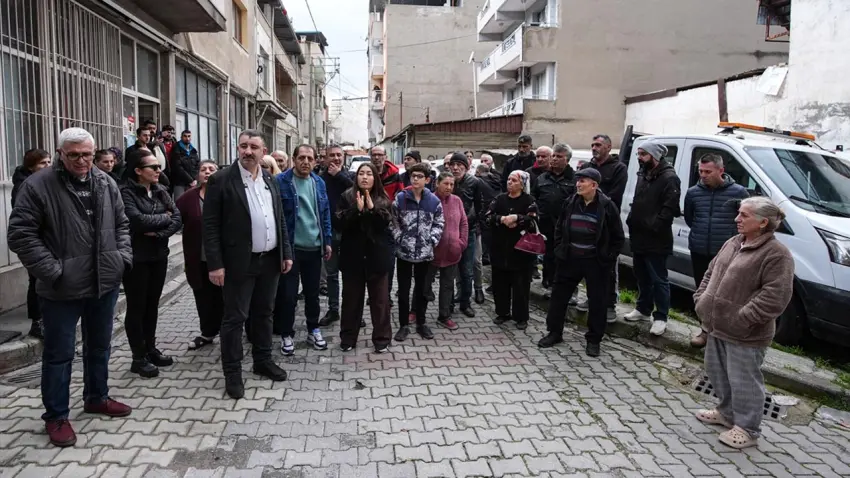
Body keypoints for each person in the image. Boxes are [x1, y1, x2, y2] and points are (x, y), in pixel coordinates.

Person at [8, 127, 133, 447]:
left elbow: (121, 224)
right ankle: (57, 416)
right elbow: (21, 234)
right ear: (60, 153)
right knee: (59, 354)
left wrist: (121, 258)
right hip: (61, 288)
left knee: (100, 346)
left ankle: (96, 396)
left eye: (87, 155)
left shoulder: (106, 183)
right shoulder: (38, 185)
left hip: (103, 282)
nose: (82, 161)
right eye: (74, 154)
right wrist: (53, 271)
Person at [693, 197, 793, 449]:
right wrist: (701, 300)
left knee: (744, 382)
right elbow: (710, 271)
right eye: (739, 214)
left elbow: (775, 296)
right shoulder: (733, 242)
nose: (737, 219)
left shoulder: (777, 254)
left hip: (745, 333)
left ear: (762, 223)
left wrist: (743, 319)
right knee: (718, 373)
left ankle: (748, 429)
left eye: (744, 215)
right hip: (716, 326)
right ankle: (727, 414)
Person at [204, 129, 293, 399]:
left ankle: (262, 360)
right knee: (235, 318)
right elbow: (210, 226)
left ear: (263, 152)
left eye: (254, 146)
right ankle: (233, 373)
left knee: (264, 313)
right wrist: (215, 264)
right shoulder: (221, 180)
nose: (248, 151)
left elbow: (279, 220)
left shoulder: (269, 179)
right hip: (238, 262)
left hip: (270, 259)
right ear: (237, 148)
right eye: (243, 146)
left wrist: (286, 252)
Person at [537, 168, 625, 357]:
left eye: (583, 181)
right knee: (559, 297)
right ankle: (554, 332)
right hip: (570, 258)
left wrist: (607, 258)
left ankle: (593, 340)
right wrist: (561, 247)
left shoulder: (607, 206)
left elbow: (618, 237)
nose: (578, 184)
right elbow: (560, 226)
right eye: (578, 180)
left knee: (597, 301)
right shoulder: (570, 202)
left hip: (595, 261)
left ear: (594, 185)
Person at [121, 149, 182, 377]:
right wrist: (163, 218)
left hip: (158, 254)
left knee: (152, 305)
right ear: (138, 171)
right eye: (153, 167)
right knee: (137, 307)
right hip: (137, 258)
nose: (159, 171)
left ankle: (150, 348)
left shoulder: (160, 190)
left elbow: (177, 218)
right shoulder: (126, 192)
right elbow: (136, 220)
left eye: (159, 167)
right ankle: (138, 357)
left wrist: (158, 232)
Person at [684, 153, 749, 348]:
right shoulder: (693, 193)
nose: (703, 175)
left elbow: (744, 221)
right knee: (703, 293)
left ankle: (723, 335)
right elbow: (690, 218)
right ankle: (704, 331)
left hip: (726, 253)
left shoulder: (739, 192)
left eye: (708, 172)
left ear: (721, 171)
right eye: (701, 171)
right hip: (699, 249)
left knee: (725, 295)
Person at [276, 144, 333, 355]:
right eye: (301, 157)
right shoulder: (281, 182)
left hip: (314, 248)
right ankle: (286, 334)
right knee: (288, 296)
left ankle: (313, 329)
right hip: (291, 249)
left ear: (315, 161)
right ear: (294, 159)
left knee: (312, 294)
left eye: (310, 158)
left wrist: (327, 240)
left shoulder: (318, 183)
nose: (306, 162)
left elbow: (324, 213)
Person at [623, 140, 681, 336]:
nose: (639, 158)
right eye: (638, 154)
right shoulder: (643, 173)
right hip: (639, 235)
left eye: (642, 154)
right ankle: (643, 309)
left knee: (659, 279)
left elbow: (669, 208)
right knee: (641, 275)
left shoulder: (669, 178)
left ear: (654, 156)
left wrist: (654, 226)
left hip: (656, 238)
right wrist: (632, 220)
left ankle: (661, 317)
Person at [336, 162, 394, 352]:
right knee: (351, 301)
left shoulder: (383, 199)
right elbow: (340, 223)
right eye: (361, 173)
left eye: (369, 174)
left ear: (375, 178)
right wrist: (357, 211)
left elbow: (384, 225)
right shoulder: (346, 196)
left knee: (380, 302)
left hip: (377, 258)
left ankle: (382, 339)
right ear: (356, 177)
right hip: (353, 258)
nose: (365, 177)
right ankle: (348, 338)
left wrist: (371, 210)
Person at [392, 163, 444, 341]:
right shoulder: (401, 199)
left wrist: (432, 240)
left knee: (422, 290)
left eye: (419, 176)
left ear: (427, 180)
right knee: (404, 290)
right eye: (413, 176)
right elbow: (393, 222)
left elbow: (439, 223)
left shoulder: (434, 201)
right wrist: (400, 238)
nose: (415, 179)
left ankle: (421, 323)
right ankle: (403, 325)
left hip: (425, 254)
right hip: (404, 253)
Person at [577, 134, 628, 316]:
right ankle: (591, 297)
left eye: (598, 144)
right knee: (589, 264)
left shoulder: (618, 169)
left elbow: (614, 195)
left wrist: (593, 199)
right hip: (585, 221)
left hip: (606, 222)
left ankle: (609, 304)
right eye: (592, 144)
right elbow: (577, 192)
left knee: (608, 265)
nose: (594, 148)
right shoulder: (587, 167)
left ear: (608, 146)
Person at [176, 160, 223, 350]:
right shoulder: (188, 198)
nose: (207, 172)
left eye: (212, 169)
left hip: (223, 259)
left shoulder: (226, 195)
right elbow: (174, 220)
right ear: (198, 175)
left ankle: (230, 334)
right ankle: (207, 333)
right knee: (204, 298)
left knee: (226, 299)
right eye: (203, 170)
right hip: (198, 259)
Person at [486, 170, 537, 329]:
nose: (510, 182)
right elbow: (488, 216)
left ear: (522, 184)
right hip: (500, 248)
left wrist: (518, 218)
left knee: (521, 286)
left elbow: (533, 220)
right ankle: (502, 313)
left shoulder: (529, 201)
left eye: (514, 180)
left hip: (521, 252)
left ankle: (521, 317)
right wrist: (502, 219)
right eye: (508, 179)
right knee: (500, 284)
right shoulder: (499, 199)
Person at [11, 148, 52, 340]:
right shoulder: (25, 186)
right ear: (31, 167)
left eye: (49, 162)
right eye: (43, 163)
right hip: (36, 241)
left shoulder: (46, 182)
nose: (47, 166)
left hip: (49, 239)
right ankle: (37, 321)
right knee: (36, 280)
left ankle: (44, 318)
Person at [318, 145, 354, 327]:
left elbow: (358, 193)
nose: (336, 158)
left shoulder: (351, 177)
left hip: (350, 234)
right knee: (331, 275)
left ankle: (352, 311)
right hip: (329, 233)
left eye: (339, 155)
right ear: (325, 158)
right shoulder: (319, 179)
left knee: (350, 275)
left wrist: (339, 175)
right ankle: (333, 310)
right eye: (332, 155)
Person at [533, 143, 576, 292]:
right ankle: (547, 279)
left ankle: (561, 281)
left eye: (559, 156)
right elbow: (534, 197)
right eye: (554, 156)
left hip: (565, 224)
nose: (555, 159)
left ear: (567, 160)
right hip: (545, 222)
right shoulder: (542, 178)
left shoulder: (574, 179)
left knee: (563, 254)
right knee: (548, 253)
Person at [431, 172, 468, 330]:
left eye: (452, 184)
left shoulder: (457, 200)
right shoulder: (430, 200)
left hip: (453, 251)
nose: (449, 187)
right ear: (437, 184)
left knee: (447, 286)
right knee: (424, 285)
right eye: (445, 183)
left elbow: (464, 223)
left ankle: (444, 315)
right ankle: (416, 311)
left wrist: (461, 243)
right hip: (432, 252)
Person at [448, 152, 483, 317]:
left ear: (466, 167)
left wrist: (465, 220)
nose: (455, 168)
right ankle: (447, 302)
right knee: (449, 268)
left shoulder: (475, 182)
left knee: (467, 269)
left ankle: (465, 302)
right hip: (448, 231)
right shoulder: (445, 181)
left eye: (459, 165)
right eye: (452, 164)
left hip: (468, 230)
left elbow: (479, 206)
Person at [371, 145, 403, 304]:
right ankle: (373, 294)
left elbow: (400, 195)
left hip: (388, 223)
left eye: (379, 155)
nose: (377, 158)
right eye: (374, 155)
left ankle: (387, 294)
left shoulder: (395, 175)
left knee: (389, 262)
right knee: (372, 261)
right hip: (370, 222)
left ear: (385, 156)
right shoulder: (366, 173)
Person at [475, 162, 500, 266]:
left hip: (483, 211)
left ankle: (485, 256)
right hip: (495, 212)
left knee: (484, 237)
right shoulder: (497, 181)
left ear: (477, 172)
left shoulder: (478, 181)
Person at [170, 130, 200, 199]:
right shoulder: (176, 148)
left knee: (191, 203)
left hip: (193, 182)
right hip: (180, 182)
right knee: (179, 203)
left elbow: (198, 165)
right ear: (181, 137)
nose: (187, 138)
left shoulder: (193, 150)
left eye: (189, 136)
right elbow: (177, 167)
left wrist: (195, 179)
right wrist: (190, 180)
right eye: (185, 136)